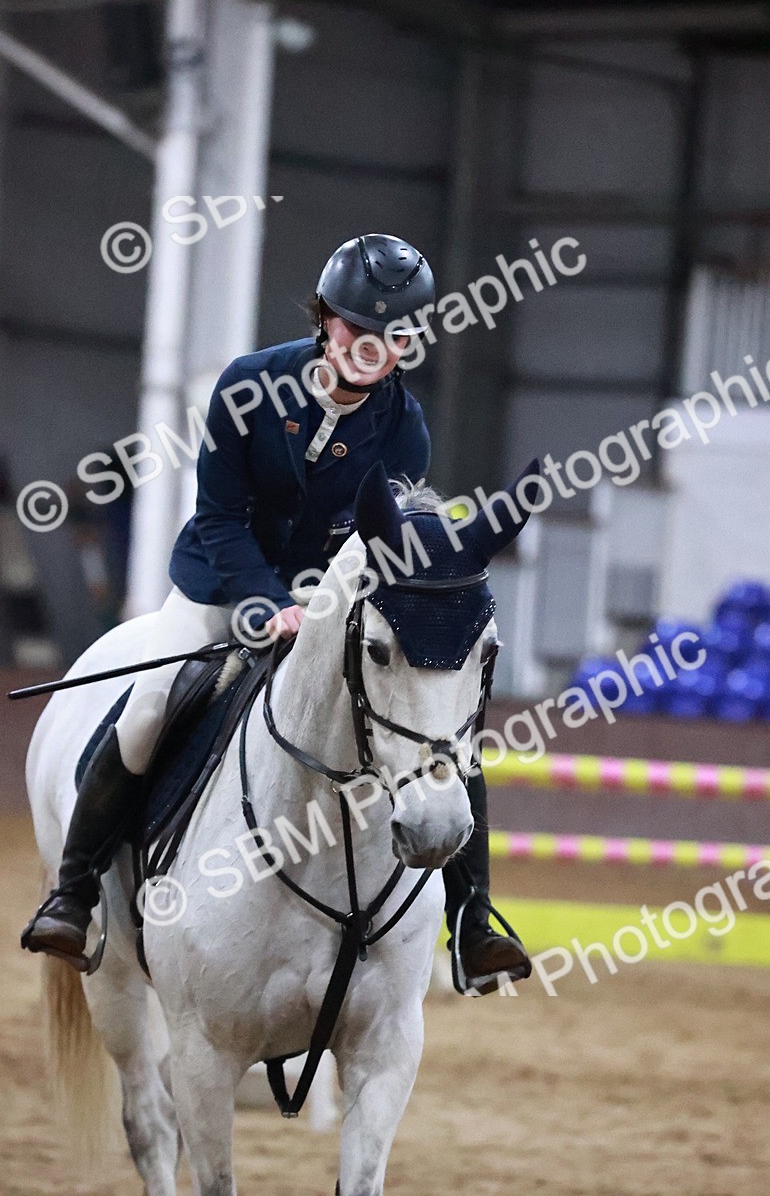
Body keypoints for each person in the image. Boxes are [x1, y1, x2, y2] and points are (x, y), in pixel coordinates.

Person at [21, 233, 531, 993]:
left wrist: (324, 608)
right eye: (357, 328)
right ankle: (75, 890)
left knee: (434, 730)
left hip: (328, 596)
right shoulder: (249, 385)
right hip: (219, 585)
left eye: (390, 336)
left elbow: (375, 543)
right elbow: (220, 516)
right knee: (150, 705)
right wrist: (264, 604)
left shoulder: (403, 427)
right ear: (327, 319)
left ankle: (473, 920)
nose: (370, 347)